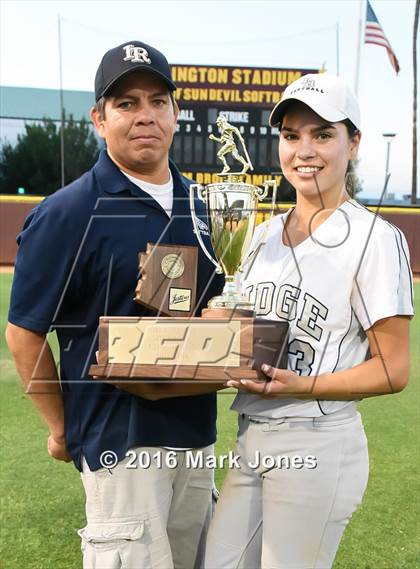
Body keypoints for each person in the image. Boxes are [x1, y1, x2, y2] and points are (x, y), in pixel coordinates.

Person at [6, 40, 224, 569]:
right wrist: (62, 429)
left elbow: (211, 311)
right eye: (126, 104)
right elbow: (25, 332)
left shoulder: (203, 205)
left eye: (157, 101)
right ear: (99, 120)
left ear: (176, 114)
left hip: (195, 439)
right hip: (118, 448)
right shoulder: (68, 211)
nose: (144, 115)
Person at [205, 73, 414, 569]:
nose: (305, 150)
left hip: (317, 441)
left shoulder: (375, 239)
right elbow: (241, 331)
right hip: (252, 434)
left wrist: (306, 384)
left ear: (354, 143)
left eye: (323, 134)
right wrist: (210, 332)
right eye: (292, 135)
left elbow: (394, 369)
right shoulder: (260, 236)